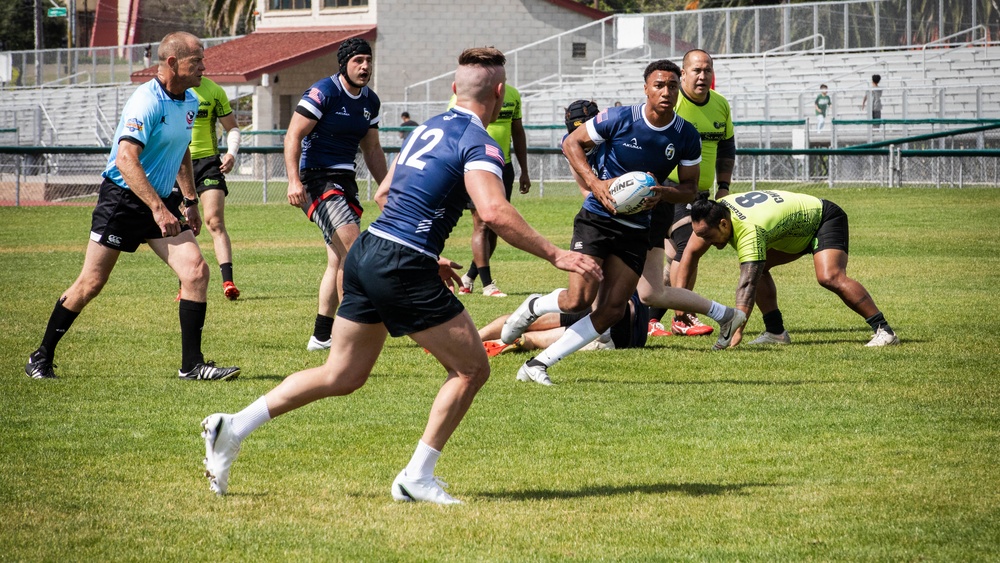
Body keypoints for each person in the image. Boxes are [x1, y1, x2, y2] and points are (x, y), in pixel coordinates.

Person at [200, 47, 601, 503]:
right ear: (500, 93)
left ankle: (233, 426)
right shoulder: (482, 142)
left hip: (371, 250)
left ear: (453, 89)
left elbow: (386, 192)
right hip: (400, 263)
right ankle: (416, 477)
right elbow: (492, 210)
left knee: (342, 374)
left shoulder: (427, 126)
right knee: (471, 369)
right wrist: (556, 255)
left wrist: (424, 254)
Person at [501, 60, 745, 386]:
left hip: (637, 228)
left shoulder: (685, 134)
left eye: (672, 86)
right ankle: (533, 305)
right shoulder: (620, 119)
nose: (666, 92)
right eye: (659, 85)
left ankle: (538, 364)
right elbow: (571, 143)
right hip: (598, 219)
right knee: (579, 299)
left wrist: (665, 193)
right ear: (646, 88)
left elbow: (689, 187)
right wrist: (595, 183)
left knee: (613, 309)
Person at [23, 32, 240, 381]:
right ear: (172, 63)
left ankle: (192, 365)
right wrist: (157, 208)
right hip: (124, 199)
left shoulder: (190, 100)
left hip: (162, 201)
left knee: (197, 272)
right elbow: (126, 159)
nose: (204, 66)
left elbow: (181, 149)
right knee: (90, 284)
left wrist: (188, 200)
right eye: (196, 60)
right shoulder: (146, 100)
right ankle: (40, 356)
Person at [688, 190, 899, 348]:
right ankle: (776, 332)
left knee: (830, 276)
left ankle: (884, 331)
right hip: (794, 231)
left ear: (724, 225)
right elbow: (690, 252)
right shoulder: (716, 208)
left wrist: (735, 331)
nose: (707, 242)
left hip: (823, 219)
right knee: (758, 267)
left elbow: (747, 284)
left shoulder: (748, 229)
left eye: (707, 236)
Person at [284, 37, 388, 351]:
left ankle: (321, 336)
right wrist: (293, 180)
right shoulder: (323, 92)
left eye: (368, 61)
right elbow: (293, 135)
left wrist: (387, 190)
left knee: (339, 260)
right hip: (316, 180)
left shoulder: (370, 101)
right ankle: (350, 335)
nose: (365, 67)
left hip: (345, 182)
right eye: (358, 61)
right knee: (354, 251)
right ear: (344, 64)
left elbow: (372, 149)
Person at [647, 49, 736, 338]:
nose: (702, 76)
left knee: (673, 257)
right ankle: (683, 317)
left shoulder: (720, 104)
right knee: (689, 248)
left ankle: (650, 318)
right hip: (671, 188)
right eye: (696, 70)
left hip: (702, 192)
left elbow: (727, 147)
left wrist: (723, 185)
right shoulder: (672, 101)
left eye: (707, 70)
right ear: (683, 74)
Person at [452, 81, 531, 297]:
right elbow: (454, 133)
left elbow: (517, 131)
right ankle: (488, 285)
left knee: (497, 224)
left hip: (503, 166)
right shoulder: (465, 94)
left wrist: (524, 170)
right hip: (476, 166)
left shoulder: (513, 94)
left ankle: (469, 278)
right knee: (482, 225)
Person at [181, 76, 242, 300]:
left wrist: (231, 153)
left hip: (208, 163)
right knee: (184, 225)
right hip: (177, 164)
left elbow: (232, 128)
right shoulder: (169, 92)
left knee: (214, 221)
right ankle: (185, 285)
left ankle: (228, 281)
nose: (201, 67)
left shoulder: (214, 90)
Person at [481, 292, 648, 357]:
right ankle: (520, 341)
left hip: (610, 306)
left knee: (529, 320)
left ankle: (475, 337)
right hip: (628, 336)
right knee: (537, 339)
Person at [563, 99, 602, 198]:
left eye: (584, 130)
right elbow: (585, 189)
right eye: (575, 131)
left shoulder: (612, 141)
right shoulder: (568, 144)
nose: (580, 136)